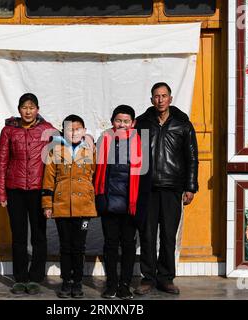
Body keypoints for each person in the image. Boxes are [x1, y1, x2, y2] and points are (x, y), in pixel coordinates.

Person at [134, 82, 199, 295]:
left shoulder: (183, 124)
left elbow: (192, 158)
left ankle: (166, 278)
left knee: (169, 235)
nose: (160, 100)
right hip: (147, 188)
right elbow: (133, 156)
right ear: (151, 99)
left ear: (170, 98)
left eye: (164, 96)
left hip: (172, 188)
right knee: (147, 235)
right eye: (156, 96)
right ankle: (148, 278)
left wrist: (190, 187)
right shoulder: (142, 123)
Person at [0, 93, 57, 295]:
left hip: (38, 190)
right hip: (15, 190)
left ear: (37, 109)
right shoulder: (9, 131)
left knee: (39, 236)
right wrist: (1, 193)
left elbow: (60, 154)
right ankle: (20, 278)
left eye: (32, 107)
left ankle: (35, 278)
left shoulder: (47, 130)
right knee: (19, 236)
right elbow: (2, 162)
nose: (28, 111)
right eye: (24, 107)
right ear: (19, 109)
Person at [42, 114, 97, 299]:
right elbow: (48, 179)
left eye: (77, 129)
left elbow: (96, 176)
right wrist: (47, 205)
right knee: (65, 245)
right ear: (63, 131)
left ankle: (78, 282)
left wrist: (93, 199)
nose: (74, 132)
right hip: (62, 206)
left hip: (84, 208)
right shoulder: (55, 151)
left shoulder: (90, 151)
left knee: (79, 246)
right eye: (69, 129)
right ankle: (66, 281)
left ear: (84, 131)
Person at [94, 105, 142, 300]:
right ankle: (111, 284)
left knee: (129, 245)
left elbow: (145, 176)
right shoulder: (104, 139)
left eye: (126, 121)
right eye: (118, 120)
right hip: (109, 201)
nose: (122, 124)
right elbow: (96, 170)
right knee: (110, 244)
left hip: (131, 202)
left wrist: (140, 203)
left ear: (133, 123)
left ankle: (125, 285)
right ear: (112, 121)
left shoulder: (140, 141)